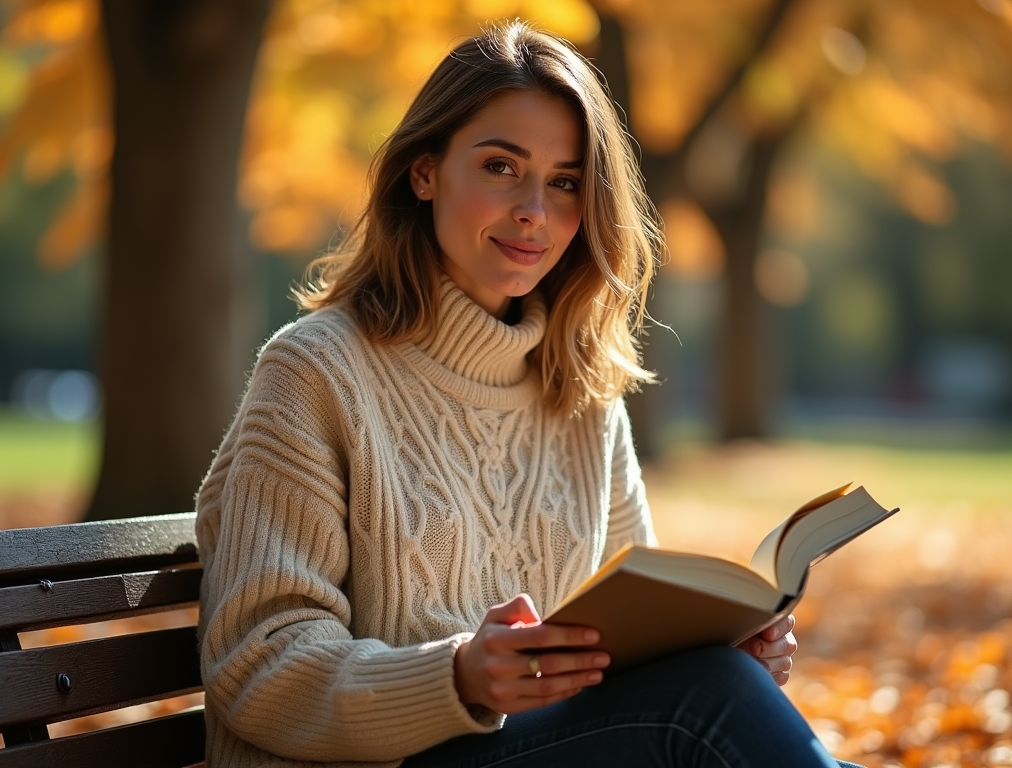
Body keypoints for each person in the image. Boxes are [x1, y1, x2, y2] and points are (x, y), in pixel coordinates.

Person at [195, 19, 865, 768]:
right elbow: (257, 667)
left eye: (565, 183)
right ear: (424, 172)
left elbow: (633, 636)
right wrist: (458, 675)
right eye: (500, 167)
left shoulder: (583, 394)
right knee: (704, 702)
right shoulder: (316, 374)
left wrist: (732, 650)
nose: (534, 213)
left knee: (715, 685)